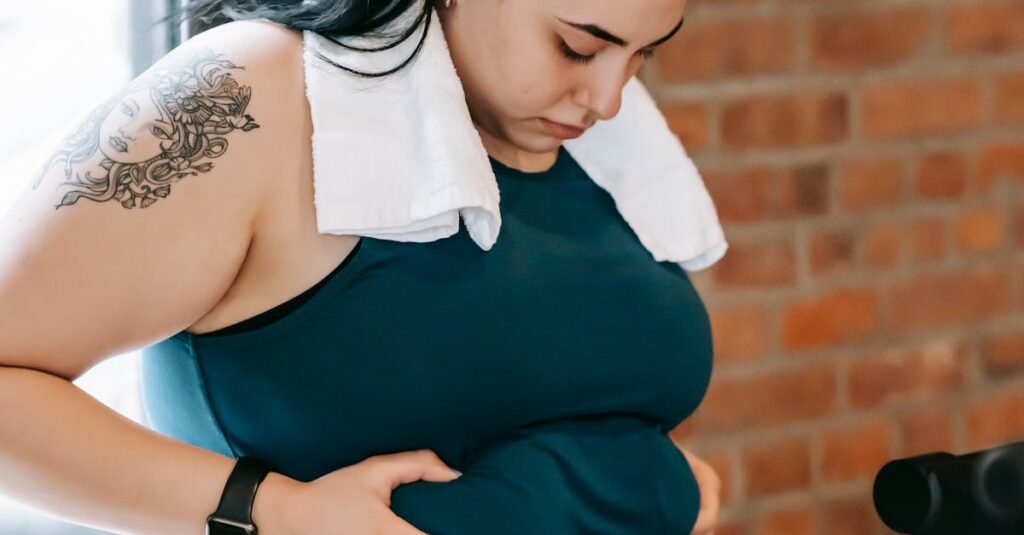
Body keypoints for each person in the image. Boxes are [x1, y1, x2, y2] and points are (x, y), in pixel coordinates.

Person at [0, 0, 722, 533]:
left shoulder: (601, 141)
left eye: (642, 56)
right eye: (575, 47)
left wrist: (652, 481)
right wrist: (274, 510)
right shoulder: (253, 92)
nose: (609, 97)